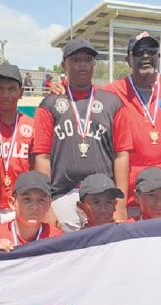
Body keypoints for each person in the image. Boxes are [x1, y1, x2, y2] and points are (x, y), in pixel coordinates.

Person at [32, 38, 132, 232]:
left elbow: (121, 155)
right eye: (75, 60)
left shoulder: (112, 103)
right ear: (64, 65)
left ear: (94, 65)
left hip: (102, 197)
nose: (82, 65)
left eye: (87, 59)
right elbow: (42, 157)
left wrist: (120, 206)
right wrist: (47, 205)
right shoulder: (50, 103)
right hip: (62, 195)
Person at [100, 31, 161, 219]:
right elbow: (82, 99)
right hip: (127, 202)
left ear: (159, 57)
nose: (145, 56)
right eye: (138, 52)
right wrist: (60, 88)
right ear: (128, 59)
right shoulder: (110, 93)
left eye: (151, 51)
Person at [0, 63, 34, 224]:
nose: (5, 94)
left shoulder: (31, 125)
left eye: (11, 89)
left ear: (21, 92)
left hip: (21, 204)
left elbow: (35, 166)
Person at [0, 171, 62, 249]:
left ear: (48, 205)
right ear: (12, 203)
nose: (34, 206)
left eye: (41, 200)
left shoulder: (58, 240)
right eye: (27, 199)